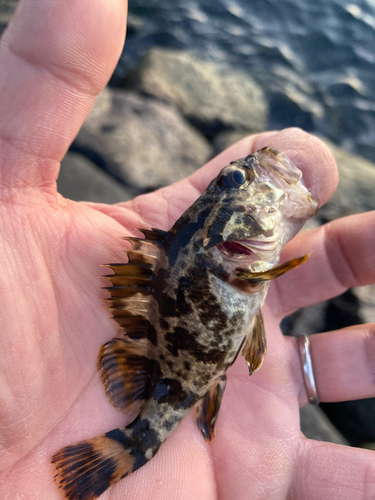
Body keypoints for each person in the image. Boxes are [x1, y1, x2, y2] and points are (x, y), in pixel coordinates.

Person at [0, 0, 374, 498]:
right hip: (185, 363)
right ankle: (134, 443)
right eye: (238, 178)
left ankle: (136, 442)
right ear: (227, 236)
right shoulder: (237, 264)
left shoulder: (235, 260)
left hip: (190, 361)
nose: (250, 174)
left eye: (236, 177)